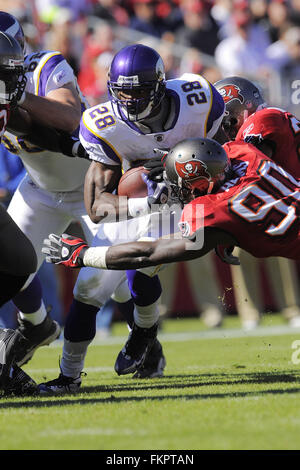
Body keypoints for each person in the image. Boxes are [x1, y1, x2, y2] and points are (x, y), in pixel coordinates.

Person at [36, 43, 225, 394]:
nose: (130, 101)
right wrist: (150, 201)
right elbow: (98, 207)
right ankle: (70, 376)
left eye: (138, 92)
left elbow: (226, 159)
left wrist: (184, 171)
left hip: (191, 201)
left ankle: (144, 333)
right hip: (140, 201)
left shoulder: (197, 99)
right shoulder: (103, 123)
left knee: (144, 267)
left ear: (159, 85)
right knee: (89, 286)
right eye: (122, 92)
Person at [42, 136, 300, 297]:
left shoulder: (215, 211)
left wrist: (84, 255)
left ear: (200, 183)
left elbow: (149, 253)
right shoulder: (244, 153)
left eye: (179, 184)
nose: (176, 190)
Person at [0, 11, 101, 373]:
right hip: (40, 189)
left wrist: (19, 95)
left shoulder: (44, 65)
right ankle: (36, 325)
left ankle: (146, 337)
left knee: (113, 283)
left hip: (93, 184)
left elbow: (69, 119)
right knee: (9, 265)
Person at [214, 75, 300, 328]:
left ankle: (292, 307)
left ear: (246, 106)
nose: (225, 124)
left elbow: (252, 169)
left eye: (229, 114)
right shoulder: (267, 120)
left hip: (280, 199)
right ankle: (251, 312)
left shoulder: (263, 120)